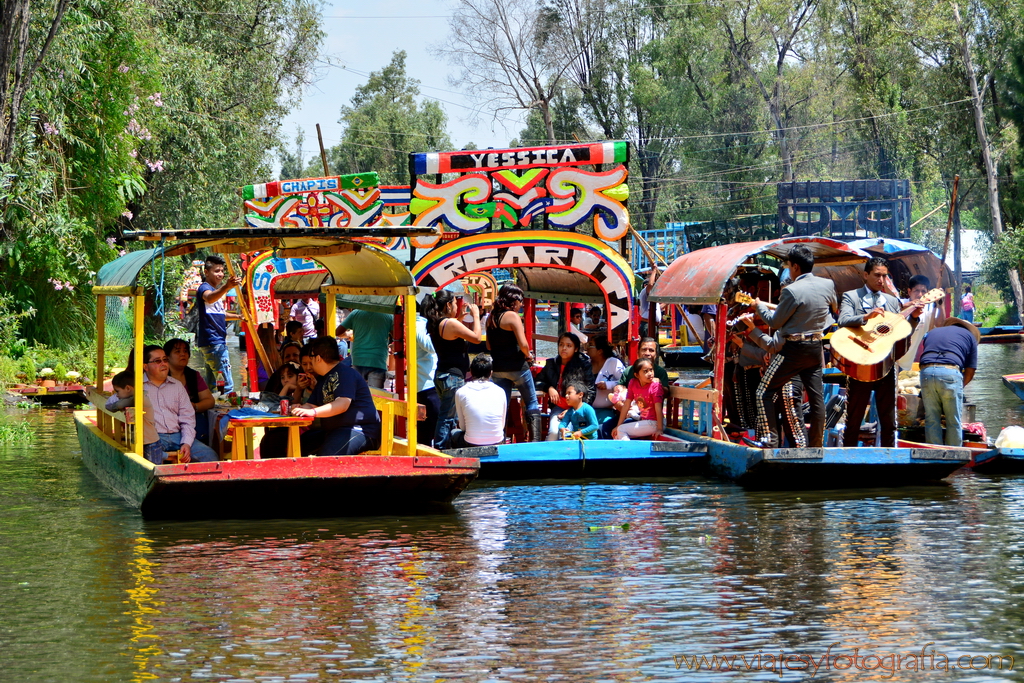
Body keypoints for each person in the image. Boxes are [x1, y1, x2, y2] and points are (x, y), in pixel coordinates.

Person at [753, 244, 837, 448]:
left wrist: (759, 307)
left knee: (763, 391)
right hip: (815, 348)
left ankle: (770, 441)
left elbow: (774, 323)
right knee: (817, 399)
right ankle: (816, 445)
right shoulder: (828, 285)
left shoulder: (791, 290)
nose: (789, 270)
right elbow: (833, 309)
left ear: (796, 267)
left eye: (789, 266)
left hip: (793, 350)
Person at [837, 257, 921, 448]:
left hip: (886, 365)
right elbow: (843, 320)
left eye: (884, 276)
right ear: (865, 275)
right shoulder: (852, 296)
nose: (881, 280)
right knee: (854, 418)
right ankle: (848, 457)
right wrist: (866, 317)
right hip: (860, 363)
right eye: (877, 275)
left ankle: (890, 458)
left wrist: (914, 319)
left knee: (889, 420)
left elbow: (900, 333)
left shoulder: (892, 301)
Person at [292, 336, 382, 455]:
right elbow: (311, 404)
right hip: (334, 431)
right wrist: (301, 409)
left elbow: (342, 404)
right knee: (292, 445)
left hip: (360, 430)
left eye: (311, 357)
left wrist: (313, 412)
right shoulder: (324, 378)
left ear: (318, 358)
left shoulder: (346, 373)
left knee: (328, 456)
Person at [422, 289, 482, 448]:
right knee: (447, 417)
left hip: (443, 374)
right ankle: (441, 449)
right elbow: (476, 338)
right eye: (455, 303)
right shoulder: (450, 323)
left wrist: (460, 318)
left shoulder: (437, 323)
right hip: (452, 377)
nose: (457, 306)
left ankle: (448, 447)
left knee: (451, 415)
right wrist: (476, 315)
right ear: (448, 305)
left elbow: (451, 337)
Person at [140, 344, 219, 462]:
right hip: (154, 438)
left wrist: (186, 443)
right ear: (145, 367)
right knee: (151, 459)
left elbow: (187, 418)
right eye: (157, 361)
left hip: (178, 436)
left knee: (210, 456)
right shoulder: (137, 386)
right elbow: (112, 402)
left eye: (165, 360)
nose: (163, 364)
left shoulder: (177, 385)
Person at [486, 283, 541, 442]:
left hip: (498, 368)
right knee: (531, 402)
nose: (521, 304)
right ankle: (535, 441)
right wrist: (529, 355)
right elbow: (523, 345)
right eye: (520, 301)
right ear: (513, 301)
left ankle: (500, 440)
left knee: (502, 406)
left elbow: (489, 345)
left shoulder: (491, 318)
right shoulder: (512, 316)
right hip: (518, 367)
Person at [919, 318, 979, 446]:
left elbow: (927, 353)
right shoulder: (970, 337)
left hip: (926, 372)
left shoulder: (933, 332)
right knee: (953, 421)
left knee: (931, 419)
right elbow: (970, 370)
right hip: (950, 372)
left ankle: (934, 454)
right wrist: (959, 387)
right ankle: (954, 454)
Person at [194, 254, 241, 394]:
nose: (220, 274)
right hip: (214, 342)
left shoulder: (216, 292)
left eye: (222, 271)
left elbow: (221, 314)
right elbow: (209, 298)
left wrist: (239, 316)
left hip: (214, 343)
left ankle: (211, 412)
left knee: (213, 386)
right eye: (216, 271)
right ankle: (229, 413)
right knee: (227, 386)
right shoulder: (205, 288)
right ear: (206, 272)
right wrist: (227, 286)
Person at [536, 332, 596, 440]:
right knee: (554, 433)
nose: (564, 348)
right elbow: (537, 382)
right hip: (558, 407)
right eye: (561, 345)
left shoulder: (583, 366)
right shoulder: (551, 364)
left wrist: (578, 408)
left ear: (576, 349)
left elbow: (591, 391)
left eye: (569, 346)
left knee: (568, 435)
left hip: (576, 409)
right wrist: (549, 388)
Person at [448, 354, 507, 448]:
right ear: (491, 373)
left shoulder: (461, 392)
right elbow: (501, 425)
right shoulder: (501, 391)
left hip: (471, 442)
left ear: (471, 372)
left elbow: (463, 427)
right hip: (497, 441)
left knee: (453, 432)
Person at [164, 338, 216, 445]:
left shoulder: (193, 375)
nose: (183, 354)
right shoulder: (161, 376)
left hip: (192, 418)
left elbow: (210, 401)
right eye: (177, 351)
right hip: (168, 422)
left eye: (185, 351)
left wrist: (194, 406)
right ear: (167, 357)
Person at [106, 370, 163, 464]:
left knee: (153, 471)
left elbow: (113, 406)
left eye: (118, 391)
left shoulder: (138, 398)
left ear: (128, 388)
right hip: (144, 442)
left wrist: (117, 404)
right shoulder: (137, 396)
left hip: (150, 444)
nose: (117, 395)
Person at [337, 308, 394, 389]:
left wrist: (349, 333)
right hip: (377, 361)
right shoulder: (388, 316)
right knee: (376, 397)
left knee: (358, 395)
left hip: (358, 360)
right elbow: (397, 336)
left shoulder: (355, 313)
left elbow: (338, 332)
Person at [898, 274, 945, 371]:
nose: (920, 295)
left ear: (927, 293)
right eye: (916, 291)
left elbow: (940, 324)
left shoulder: (928, 313)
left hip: (905, 366)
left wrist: (940, 303)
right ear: (909, 291)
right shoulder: (899, 304)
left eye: (923, 291)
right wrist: (906, 306)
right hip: (889, 361)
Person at [612, 358, 664, 441]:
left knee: (621, 430)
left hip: (654, 423)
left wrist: (659, 429)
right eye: (645, 371)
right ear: (637, 375)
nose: (650, 374)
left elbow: (658, 408)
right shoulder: (633, 383)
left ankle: (629, 452)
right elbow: (626, 405)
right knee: (617, 433)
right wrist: (618, 425)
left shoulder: (655, 385)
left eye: (651, 370)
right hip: (643, 420)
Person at [415, 304, 440, 446]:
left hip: (427, 382)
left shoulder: (420, 324)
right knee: (431, 426)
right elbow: (430, 346)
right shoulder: (419, 324)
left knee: (428, 428)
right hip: (426, 383)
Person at [588, 336, 625, 427]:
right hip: (586, 408)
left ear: (600, 351)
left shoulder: (613, 362)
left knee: (603, 428)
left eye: (591, 345)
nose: (587, 348)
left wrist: (608, 385)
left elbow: (625, 382)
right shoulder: (586, 363)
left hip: (606, 409)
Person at [637, 266, 662, 338]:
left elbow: (658, 308)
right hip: (647, 325)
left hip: (653, 325)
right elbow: (650, 285)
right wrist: (654, 270)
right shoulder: (645, 291)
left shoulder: (652, 296)